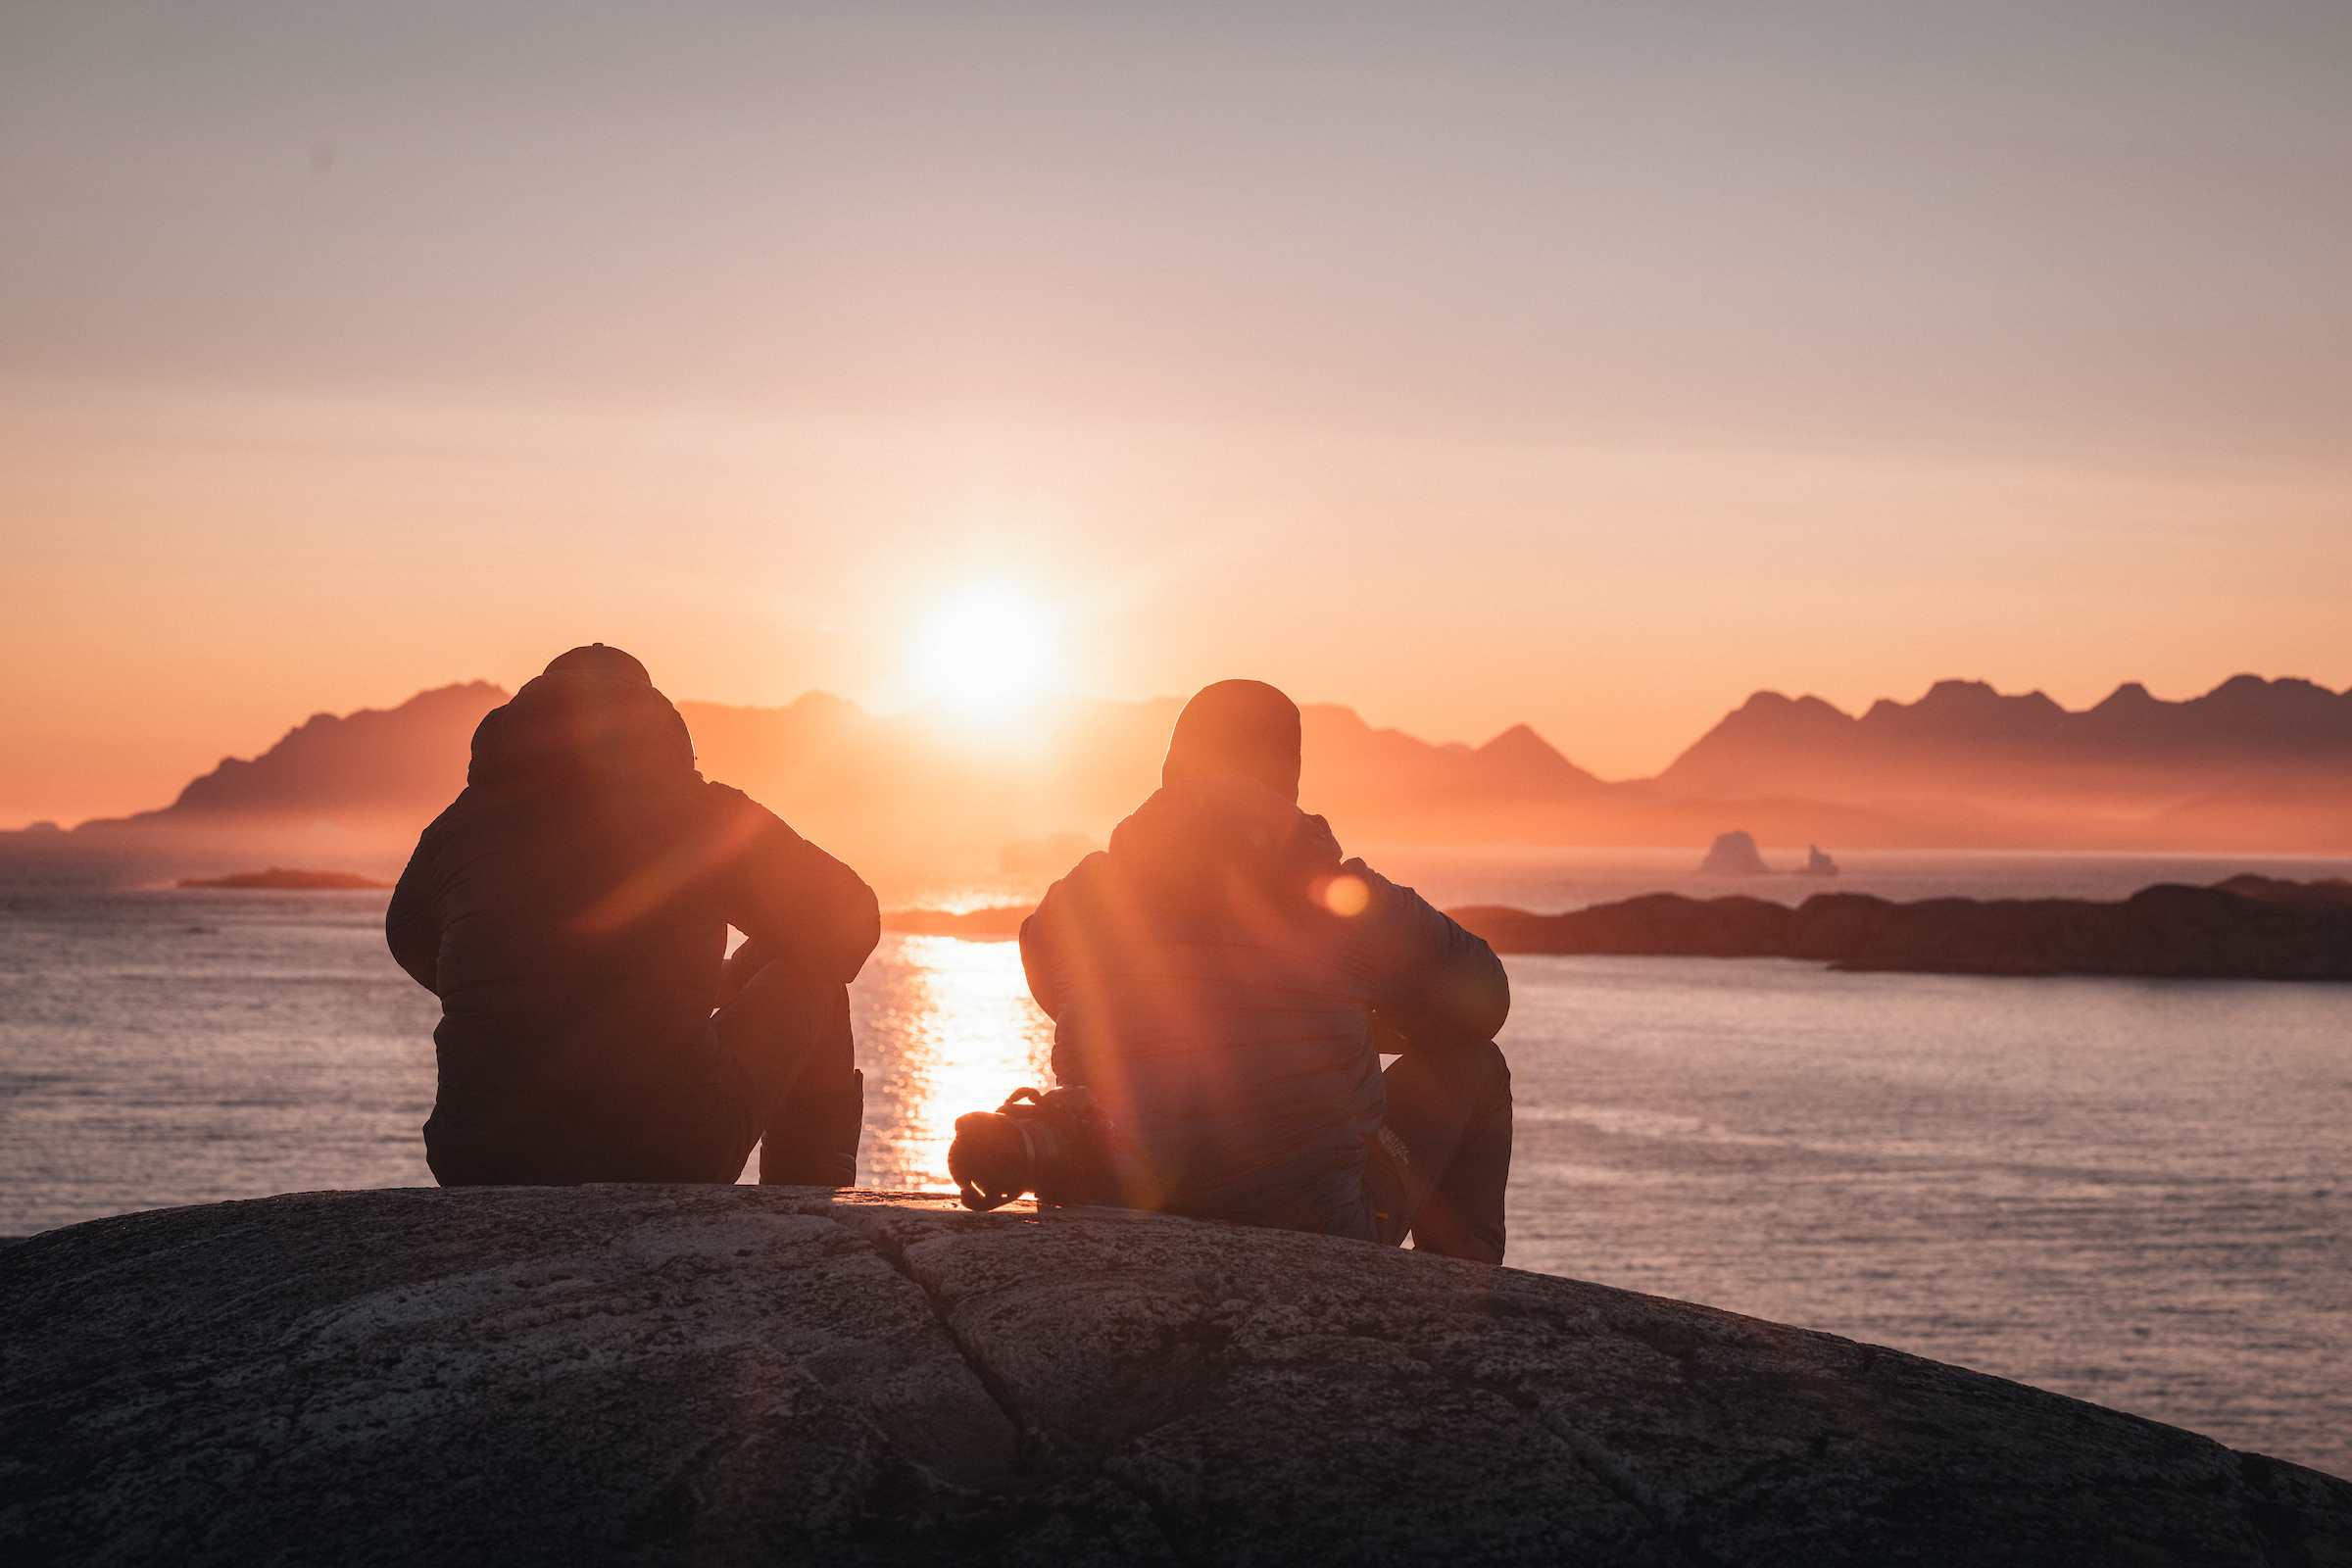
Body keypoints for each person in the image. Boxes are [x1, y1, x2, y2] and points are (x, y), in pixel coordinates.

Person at [1016, 679, 1514, 1261]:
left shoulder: (1085, 897)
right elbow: (1486, 1000)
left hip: (1120, 1206)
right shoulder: (1341, 898)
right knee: (1475, 1066)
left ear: (1170, 769)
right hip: (1313, 1231)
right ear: (1288, 779)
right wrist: (1368, 1025)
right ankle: (1455, 1308)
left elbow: (1046, 968)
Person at [386, 644, 877, 1187]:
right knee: (820, 977)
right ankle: (802, 1219)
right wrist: (749, 967)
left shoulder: (459, 827)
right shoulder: (698, 812)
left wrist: (523, 990)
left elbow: (407, 934)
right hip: (663, 1155)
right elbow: (851, 921)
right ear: (658, 722)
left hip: (475, 1157)